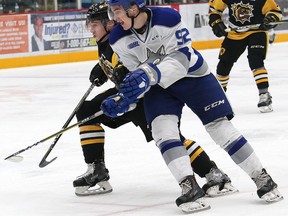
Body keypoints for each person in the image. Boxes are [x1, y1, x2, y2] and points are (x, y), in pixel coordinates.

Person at [100, 0, 283, 213]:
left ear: (133, 8)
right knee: (162, 131)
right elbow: (136, 77)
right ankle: (189, 186)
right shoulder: (118, 37)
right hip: (159, 86)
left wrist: (148, 74)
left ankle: (262, 178)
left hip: (193, 76)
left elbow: (182, 57)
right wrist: (125, 99)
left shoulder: (167, 19)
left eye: (117, 11)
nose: (114, 19)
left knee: (219, 128)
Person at [73, 2, 237, 199]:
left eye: (94, 25)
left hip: (144, 97)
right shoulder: (108, 43)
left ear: (108, 24)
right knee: (86, 111)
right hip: (128, 97)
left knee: (170, 140)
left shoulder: (120, 40)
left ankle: (213, 173)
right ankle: (96, 170)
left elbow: (138, 69)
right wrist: (102, 68)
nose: (90, 29)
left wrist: (118, 75)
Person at [208, 0, 282, 113]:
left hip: (257, 32)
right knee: (223, 64)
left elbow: (275, 12)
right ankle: (218, 96)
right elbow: (214, 10)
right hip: (235, 33)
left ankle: (264, 94)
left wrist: (271, 18)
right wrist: (215, 22)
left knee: (255, 60)